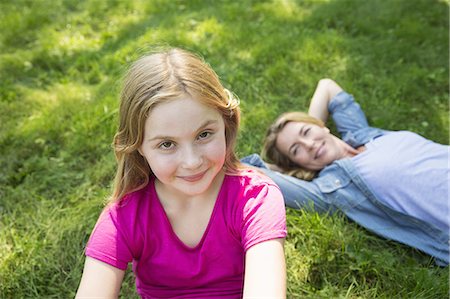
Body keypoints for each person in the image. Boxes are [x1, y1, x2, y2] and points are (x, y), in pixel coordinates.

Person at [76, 48, 287, 298]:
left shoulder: (255, 199)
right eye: (167, 144)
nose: (192, 161)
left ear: (226, 125)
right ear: (138, 147)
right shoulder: (124, 217)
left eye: (204, 134)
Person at [242, 78, 449, 266]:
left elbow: (327, 86)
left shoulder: (363, 134)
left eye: (306, 132)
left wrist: (315, 129)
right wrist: (290, 169)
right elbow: (252, 172)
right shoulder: (332, 190)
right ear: (297, 164)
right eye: (297, 150)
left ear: (322, 126)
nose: (309, 144)